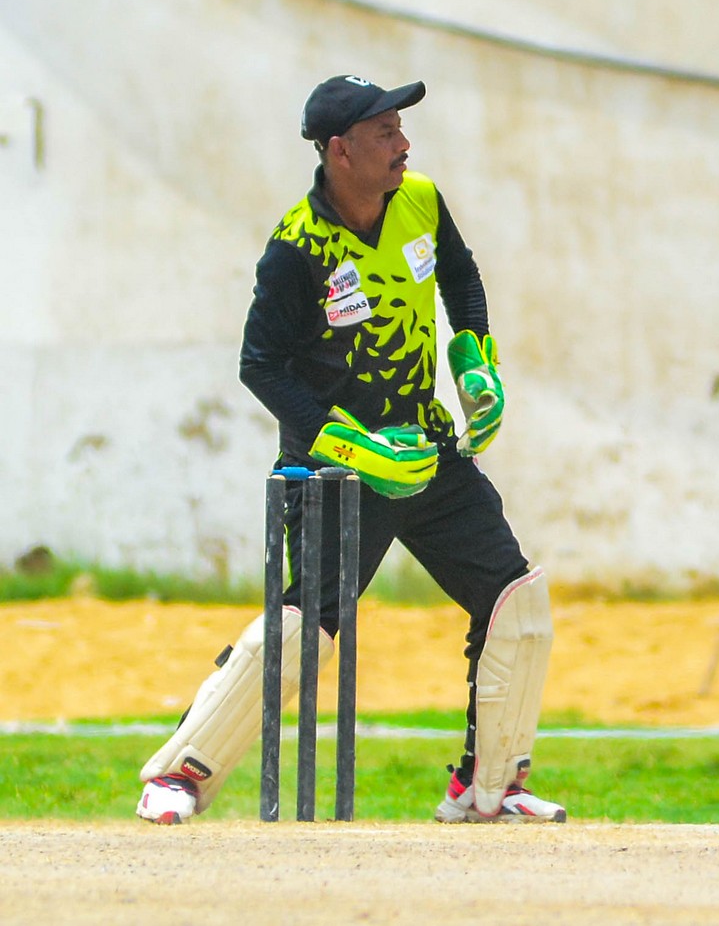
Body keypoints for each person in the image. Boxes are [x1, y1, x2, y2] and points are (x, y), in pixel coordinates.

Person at [136, 75, 566, 825]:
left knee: (515, 601)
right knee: (305, 629)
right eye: (385, 132)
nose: (404, 144)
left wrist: (475, 359)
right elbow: (260, 365)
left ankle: (490, 787)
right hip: (334, 470)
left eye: (400, 128)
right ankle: (179, 776)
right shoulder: (296, 248)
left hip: (424, 449)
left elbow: (461, 278)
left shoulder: (420, 199)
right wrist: (351, 447)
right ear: (340, 151)